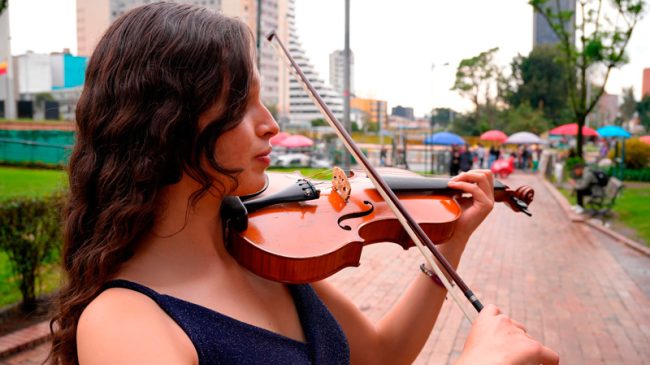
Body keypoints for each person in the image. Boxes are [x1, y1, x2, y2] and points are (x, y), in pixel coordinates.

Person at [48, 3, 559, 365]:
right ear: (169, 124)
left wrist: (451, 243)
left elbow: (380, 355)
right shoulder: (123, 323)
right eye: (242, 104)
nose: (269, 123)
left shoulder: (264, 253)